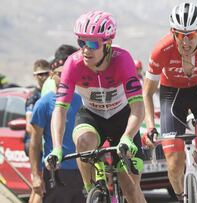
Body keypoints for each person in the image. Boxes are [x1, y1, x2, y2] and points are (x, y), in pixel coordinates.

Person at [46, 10, 147, 203]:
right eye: (81, 42)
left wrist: (127, 136)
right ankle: (92, 190)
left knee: (132, 191)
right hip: (92, 116)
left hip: (123, 118)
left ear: (107, 44)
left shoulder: (123, 60)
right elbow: (60, 109)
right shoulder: (73, 64)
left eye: (92, 43)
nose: (85, 49)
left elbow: (138, 107)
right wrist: (57, 147)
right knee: (83, 142)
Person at [142, 3, 197, 203]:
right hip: (171, 97)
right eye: (179, 35)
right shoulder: (161, 50)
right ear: (172, 32)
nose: (185, 41)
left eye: (191, 35)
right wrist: (150, 127)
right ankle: (182, 198)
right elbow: (147, 93)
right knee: (174, 165)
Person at [29, 63, 85, 203]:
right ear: (52, 75)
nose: (64, 78)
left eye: (68, 74)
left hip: (81, 171)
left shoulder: (80, 101)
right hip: (56, 171)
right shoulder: (44, 104)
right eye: (60, 74)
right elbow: (35, 144)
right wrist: (36, 176)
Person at [25, 59, 51, 203]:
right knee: (41, 186)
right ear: (35, 76)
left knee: (40, 187)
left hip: (45, 143)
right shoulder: (33, 97)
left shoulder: (50, 93)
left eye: (46, 73)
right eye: (40, 74)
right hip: (35, 145)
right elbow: (29, 127)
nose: (43, 77)